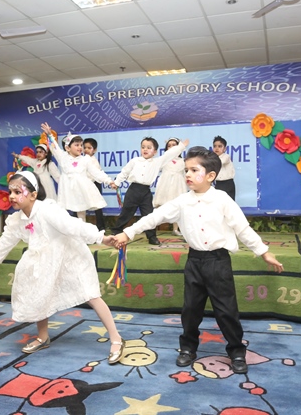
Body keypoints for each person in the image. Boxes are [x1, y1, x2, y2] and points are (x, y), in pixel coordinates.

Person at [113, 146, 284, 374]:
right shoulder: (182, 202)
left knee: (226, 310)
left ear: (211, 176)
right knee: (191, 309)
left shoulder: (222, 199)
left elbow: (243, 229)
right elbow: (154, 217)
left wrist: (264, 252)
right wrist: (128, 232)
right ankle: (188, 348)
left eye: (194, 170)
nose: (188, 175)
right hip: (194, 262)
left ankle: (236, 350)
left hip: (218, 262)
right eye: (186, 170)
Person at [0, 171, 125, 363]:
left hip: (71, 257)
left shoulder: (48, 211)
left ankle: (116, 338)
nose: (11, 196)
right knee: (39, 293)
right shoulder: (16, 220)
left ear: (33, 194)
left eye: (17, 191)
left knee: (91, 295)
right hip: (44, 260)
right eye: (10, 191)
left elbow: (74, 226)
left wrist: (101, 238)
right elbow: (5, 241)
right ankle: (43, 337)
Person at [111, 137, 188, 245]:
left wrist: (181, 146)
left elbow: (169, 154)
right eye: (143, 147)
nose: (145, 150)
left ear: (155, 151)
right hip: (133, 190)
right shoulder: (134, 161)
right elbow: (124, 172)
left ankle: (152, 237)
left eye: (149, 148)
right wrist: (117, 182)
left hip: (146, 192)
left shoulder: (157, 162)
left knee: (149, 215)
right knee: (126, 212)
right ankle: (116, 231)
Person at [40, 122, 116, 221]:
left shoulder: (86, 159)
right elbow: (54, 147)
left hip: (80, 189)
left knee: (81, 213)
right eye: (76, 145)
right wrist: (49, 135)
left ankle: (82, 232)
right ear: (67, 148)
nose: (80, 147)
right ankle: (67, 232)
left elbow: (96, 172)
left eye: (81, 145)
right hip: (67, 189)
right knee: (63, 212)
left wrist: (109, 181)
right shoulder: (63, 157)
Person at [153, 137, 187, 236]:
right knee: (161, 205)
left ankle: (175, 229)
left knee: (178, 207)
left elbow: (185, 175)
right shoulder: (164, 159)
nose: (171, 147)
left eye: (174, 145)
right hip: (165, 184)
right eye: (169, 145)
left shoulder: (183, 161)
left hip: (178, 185)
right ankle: (152, 228)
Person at [83, 137, 106, 231]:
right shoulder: (82, 159)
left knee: (98, 206)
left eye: (89, 148)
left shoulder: (93, 160)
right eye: (85, 147)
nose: (86, 150)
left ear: (95, 150)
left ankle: (101, 227)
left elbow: (94, 174)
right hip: (85, 184)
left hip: (94, 184)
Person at [213, 135, 236, 200]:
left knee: (229, 203)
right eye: (215, 146)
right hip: (218, 184)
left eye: (220, 146)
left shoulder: (226, 157)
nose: (217, 148)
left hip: (227, 184)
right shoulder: (213, 159)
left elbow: (219, 163)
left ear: (225, 149)